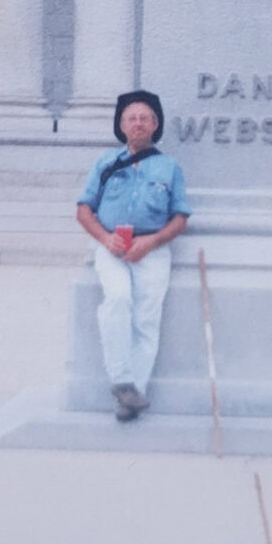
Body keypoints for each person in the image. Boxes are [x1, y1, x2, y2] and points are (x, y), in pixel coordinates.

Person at [75, 90, 191, 422]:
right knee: (118, 299)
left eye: (144, 118)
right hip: (112, 246)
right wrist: (105, 238)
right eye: (131, 118)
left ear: (155, 125)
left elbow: (180, 218)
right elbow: (83, 210)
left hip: (152, 250)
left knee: (146, 321)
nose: (138, 123)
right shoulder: (105, 163)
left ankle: (132, 397)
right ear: (122, 125)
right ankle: (122, 381)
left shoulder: (170, 167)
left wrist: (152, 241)